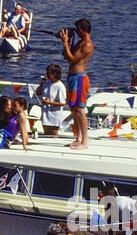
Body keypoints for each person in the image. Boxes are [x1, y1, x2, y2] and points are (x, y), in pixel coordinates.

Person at [60, 18, 93, 150]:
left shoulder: (87, 44)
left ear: (83, 29)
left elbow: (72, 59)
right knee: (73, 109)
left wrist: (65, 43)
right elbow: (67, 56)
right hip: (73, 77)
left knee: (80, 110)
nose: (77, 32)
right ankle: (78, 138)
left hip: (80, 79)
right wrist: (66, 42)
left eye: (78, 29)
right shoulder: (79, 42)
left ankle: (85, 142)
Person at [35, 64, 67, 136]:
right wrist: (41, 84)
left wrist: (50, 102)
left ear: (54, 74)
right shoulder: (47, 83)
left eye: (48, 73)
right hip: (45, 113)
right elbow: (38, 93)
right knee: (46, 134)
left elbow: (63, 103)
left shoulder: (60, 86)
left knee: (53, 135)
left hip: (54, 114)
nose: (47, 75)